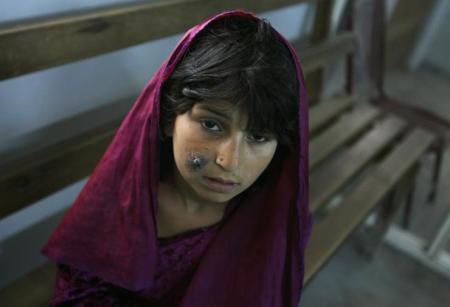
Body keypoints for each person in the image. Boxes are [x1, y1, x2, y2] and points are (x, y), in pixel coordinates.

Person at [42, 10, 312, 307]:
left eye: (258, 137)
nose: (230, 161)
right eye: (211, 124)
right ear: (168, 116)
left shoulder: (273, 222)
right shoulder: (122, 205)